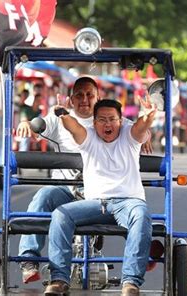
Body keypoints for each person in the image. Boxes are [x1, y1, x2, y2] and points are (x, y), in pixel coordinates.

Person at [15, 77, 153, 284]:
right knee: (43, 196)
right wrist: (27, 123)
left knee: (135, 212)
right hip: (66, 189)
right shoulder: (59, 118)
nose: (85, 100)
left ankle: (142, 255)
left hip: (102, 191)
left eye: (90, 95)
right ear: (71, 100)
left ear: (98, 98)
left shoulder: (110, 120)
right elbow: (38, 127)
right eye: (79, 95)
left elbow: (136, 131)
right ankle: (29, 258)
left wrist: (147, 131)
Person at [44, 98, 156, 295]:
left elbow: (142, 125)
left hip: (128, 202)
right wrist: (62, 114)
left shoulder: (129, 136)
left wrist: (148, 113)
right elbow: (74, 127)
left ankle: (130, 282)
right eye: (102, 120)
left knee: (141, 214)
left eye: (112, 119)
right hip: (95, 204)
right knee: (60, 214)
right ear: (94, 123)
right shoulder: (88, 138)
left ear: (120, 121)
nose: (107, 124)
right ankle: (59, 279)